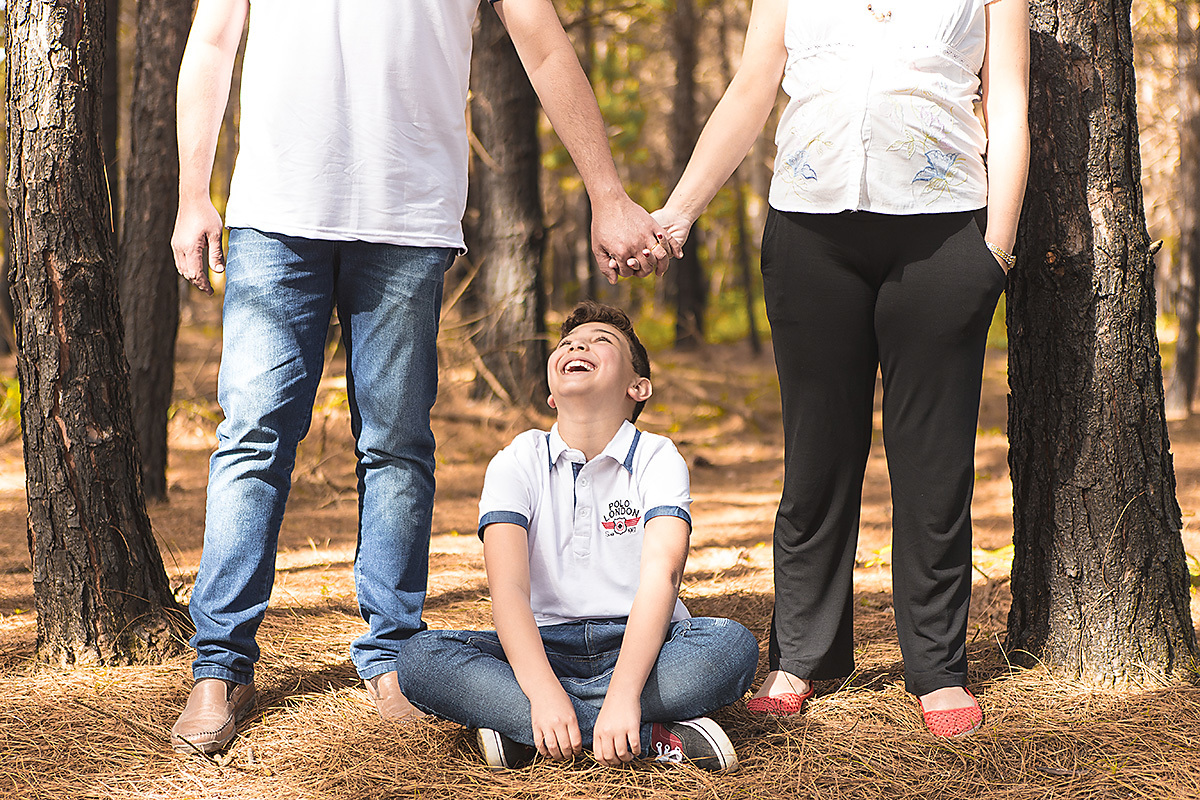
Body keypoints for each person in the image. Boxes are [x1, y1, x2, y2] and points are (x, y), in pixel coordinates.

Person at [168, 0, 682, 755]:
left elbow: (542, 46)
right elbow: (212, 39)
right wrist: (190, 193)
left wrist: (606, 191)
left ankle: (392, 659)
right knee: (253, 439)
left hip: (407, 218)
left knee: (398, 446)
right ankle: (220, 666)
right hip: (275, 213)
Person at [647, 0, 1030, 738]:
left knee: (933, 463)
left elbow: (1008, 100)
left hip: (944, 231)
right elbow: (753, 87)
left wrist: (998, 249)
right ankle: (803, 657)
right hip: (809, 233)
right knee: (817, 458)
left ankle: (938, 669)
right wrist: (679, 213)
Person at [397, 301, 759, 771]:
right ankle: (648, 736)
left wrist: (625, 694)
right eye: (567, 343)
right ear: (552, 393)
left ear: (638, 386)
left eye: (601, 341)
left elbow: (661, 576)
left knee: (730, 648)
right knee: (420, 658)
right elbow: (508, 588)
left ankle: (528, 732)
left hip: (647, 648)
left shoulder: (657, 455)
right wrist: (545, 693)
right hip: (541, 649)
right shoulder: (517, 459)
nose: (577, 345)